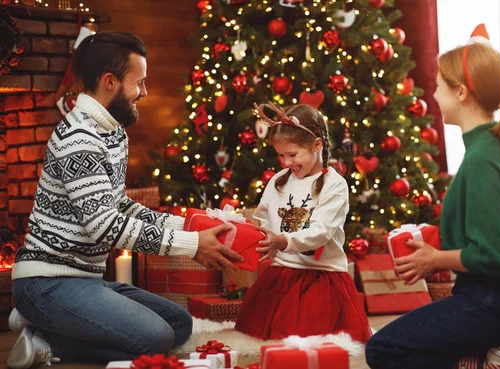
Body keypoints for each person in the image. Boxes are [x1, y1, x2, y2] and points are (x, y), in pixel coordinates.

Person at [7, 31, 243, 369]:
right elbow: (104, 226)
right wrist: (190, 244)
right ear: (110, 81)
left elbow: (117, 206)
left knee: (179, 324)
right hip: (47, 282)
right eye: (139, 83)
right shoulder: (79, 139)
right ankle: (47, 337)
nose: (144, 93)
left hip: (86, 279)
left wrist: (189, 225)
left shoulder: (113, 131)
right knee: (154, 340)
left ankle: (50, 326)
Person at [365, 25, 500, 369]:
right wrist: (437, 242)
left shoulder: (483, 159)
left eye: (438, 87)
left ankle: (488, 364)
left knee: (382, 349)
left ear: (461, 92)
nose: (433, 95)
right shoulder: (498, 147)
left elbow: (496, 254)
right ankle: (498, 357)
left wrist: (434, 260)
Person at [234, 102, 372, 343]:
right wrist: (259, 234)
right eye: (281, 155)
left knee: (311, 338)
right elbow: (262, 216)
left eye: (293, 155)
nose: (287, 162)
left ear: (317, 145)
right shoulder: (278, 181)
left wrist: (283, 239)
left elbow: (321, 232)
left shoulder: (334, 185)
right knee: (264, 335)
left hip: (321, 276)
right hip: (281, 275)